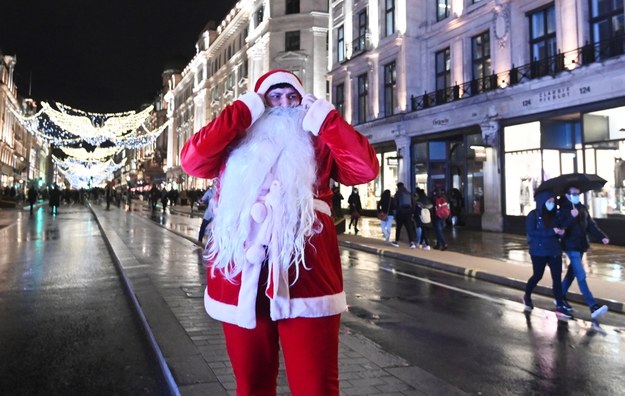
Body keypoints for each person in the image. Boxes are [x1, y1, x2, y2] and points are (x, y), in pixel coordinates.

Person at [180, 69, 379, 395]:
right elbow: (192, 161)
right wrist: (240, 112)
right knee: (252, 384)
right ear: (261, 102)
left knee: (315, 387)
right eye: (275, 96)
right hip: (242, 277)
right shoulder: (236, 139)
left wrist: (327, 121)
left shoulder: (317, 141)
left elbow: (365, 168)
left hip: (307, 275)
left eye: (293, 97)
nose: (285, 104)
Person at [558, 186, 609, 320]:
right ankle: (593, 306)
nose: (576, 195)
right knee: (581, 274)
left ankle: (559, 296)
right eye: (573, 193)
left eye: (578, 193)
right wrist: (570, 216)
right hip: (570, 245)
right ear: (567, 195)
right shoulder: (563, 208)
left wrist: (601, 236)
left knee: (572, 273)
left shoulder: (582, 208)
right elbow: (561, 226)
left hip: (580, 245)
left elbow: (591, 225)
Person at [522, 191, 572, 319]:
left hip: (554, 250)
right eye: (549, 201)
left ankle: (559, 306)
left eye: (553, 202)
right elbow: (531, 233)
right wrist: (551, 231)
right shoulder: (533, 215)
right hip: (538, 251)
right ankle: (527, 295)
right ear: (542, 202)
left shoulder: (556, 215)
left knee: (556, 278)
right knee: (537, 275)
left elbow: (562, 229)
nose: (551, 204)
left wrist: (562, 232)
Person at [391, 182, 417, 248]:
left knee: (398, 228)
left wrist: (396, 210)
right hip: (408, 213)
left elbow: (395, 204)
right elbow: (414, 203)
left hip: (400, 213)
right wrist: (412, 212)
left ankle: (396, 242)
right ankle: (412, 243)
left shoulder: (397, 194)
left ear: (398, 187)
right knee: (409, 228)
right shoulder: (409, 193)